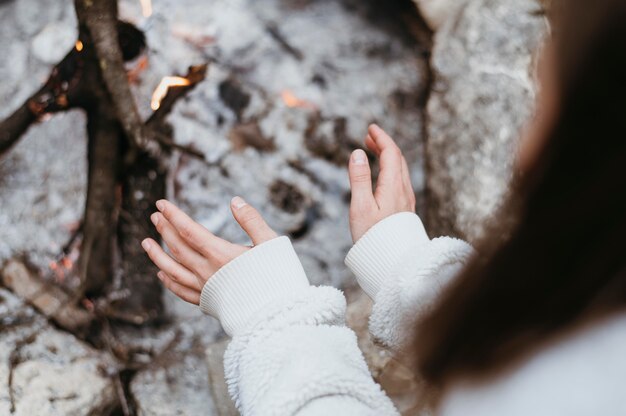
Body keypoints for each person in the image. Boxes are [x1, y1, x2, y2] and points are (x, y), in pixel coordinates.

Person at [141, 0, 626, 413]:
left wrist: (273, 318)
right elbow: (529, 331)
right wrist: (405, 264)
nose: (521, 138)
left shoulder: (568, 387)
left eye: (542, 102)